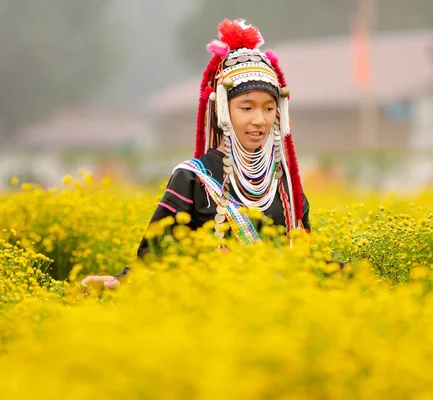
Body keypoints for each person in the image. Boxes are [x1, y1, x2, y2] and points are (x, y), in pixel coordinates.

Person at [82, 19, 310, 290]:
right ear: (221, 110)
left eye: (269, 109)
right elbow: (157, 258)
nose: (260, 120)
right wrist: (120, 283)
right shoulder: (192, 179)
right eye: (247, 108)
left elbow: (305, 260)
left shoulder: (284, 186)